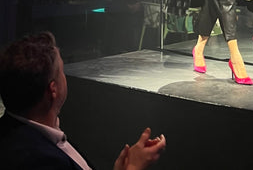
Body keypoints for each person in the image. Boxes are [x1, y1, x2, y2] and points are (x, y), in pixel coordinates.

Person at [0, 31, 166, 170]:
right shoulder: (38, 160)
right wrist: (134, 167)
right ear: (53, 90)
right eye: (62, 70)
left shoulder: (26, 132)